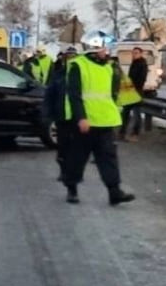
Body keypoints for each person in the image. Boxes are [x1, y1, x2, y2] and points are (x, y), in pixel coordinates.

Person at [63, 31, 135, 206]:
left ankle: (114, 192)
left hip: (105, 121)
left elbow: (111, 94)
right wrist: (81, 118)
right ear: (94, 49)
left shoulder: (109, 67)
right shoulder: (78, 66)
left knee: (108, 158)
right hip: (85, 123)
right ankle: (71, 188)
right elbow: (74, 95)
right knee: (77, 158)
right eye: (104, 48)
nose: (107, 51)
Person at [45, 47, 78, 182]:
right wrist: (48, 113)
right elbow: (50, 95)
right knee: (63, 147)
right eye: (68, 56)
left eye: (73, 56)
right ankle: (64, 171)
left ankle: (73, 174)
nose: (70, 59)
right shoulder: (58, 75)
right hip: (62, 117)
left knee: (76, 148)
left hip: (78, 117)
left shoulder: (81, 75)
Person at [119, 47, 148, 142]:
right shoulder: (134, 63)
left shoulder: (142, 64)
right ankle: (122, 133)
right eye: (133, 53)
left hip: (137, 93)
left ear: (141, 54)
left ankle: (135, 133)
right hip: (130, 93)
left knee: (136, 115)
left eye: (136, 53)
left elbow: (141, 79)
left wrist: (134, 87)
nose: (134, 55)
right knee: (125, 113)